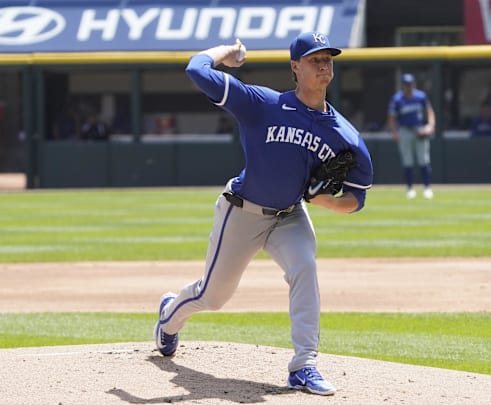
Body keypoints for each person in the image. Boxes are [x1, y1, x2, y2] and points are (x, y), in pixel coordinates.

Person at [153, 32, 374, 396]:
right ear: (295, 67)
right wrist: (228, 52)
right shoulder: (262, 104)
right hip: (242, 212)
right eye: (314, 59)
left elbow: (357, 198)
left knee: (305, 266)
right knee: (213, 296)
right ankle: (168, 318)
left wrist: (325, 202)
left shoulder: (345, 135)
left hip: (289, 215)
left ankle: (304, 365)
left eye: (327, 59)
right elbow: (196, 68)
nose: (323, 65)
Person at [387, 73, 436, 199]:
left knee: (424, 160)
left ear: (414, 84)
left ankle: (427, 188)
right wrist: (395, 133)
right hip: (405, 130)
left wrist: (430, 126)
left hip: (419, 129)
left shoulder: (421, 96)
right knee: (407, 161)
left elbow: (430, 111)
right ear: (403, 85)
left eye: (410, 84)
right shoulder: (397, 99)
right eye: (406, 85)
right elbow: (392, 118)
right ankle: (410, 188)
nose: (408, 87)